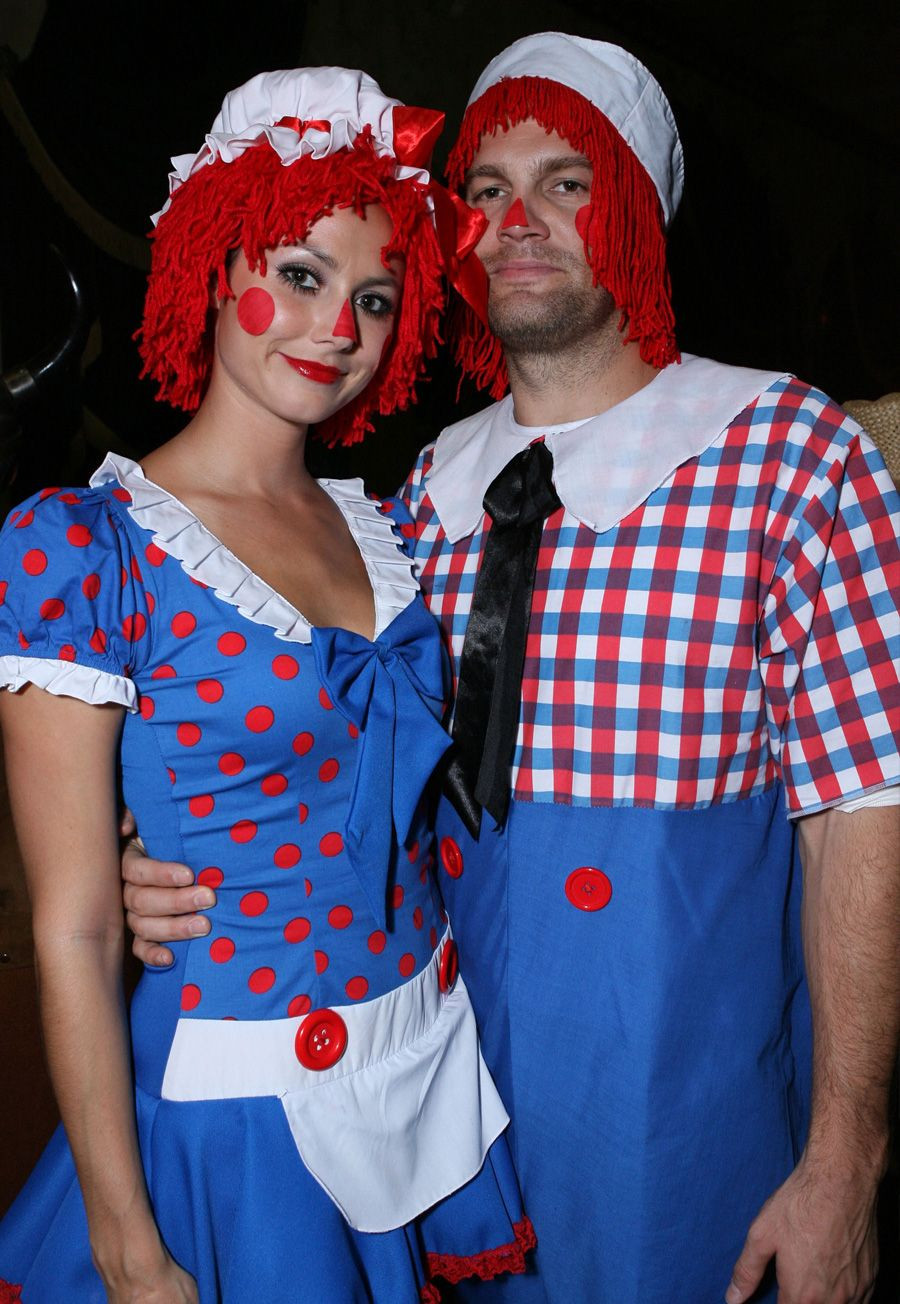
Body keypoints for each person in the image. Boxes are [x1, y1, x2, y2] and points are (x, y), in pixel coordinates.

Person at [121, 33, 900, 1304]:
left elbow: (865, 814)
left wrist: (847, 1160)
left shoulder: (789, 453)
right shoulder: (415, 497)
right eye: (481, 191)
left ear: (638, 215)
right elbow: (287, 756)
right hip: (422, 1096)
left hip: (678, 1119)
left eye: (566, 181)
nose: (516, 219)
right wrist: (147, 853)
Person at [0, 66, 535, 1304]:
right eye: (298, 276)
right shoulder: (87, 546)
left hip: (425, 1065)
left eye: (374, 296)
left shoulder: (390, 525)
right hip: (243, 1117)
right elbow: (72, 926)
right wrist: (131, 1253)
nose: (335, 329)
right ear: (210, 264)